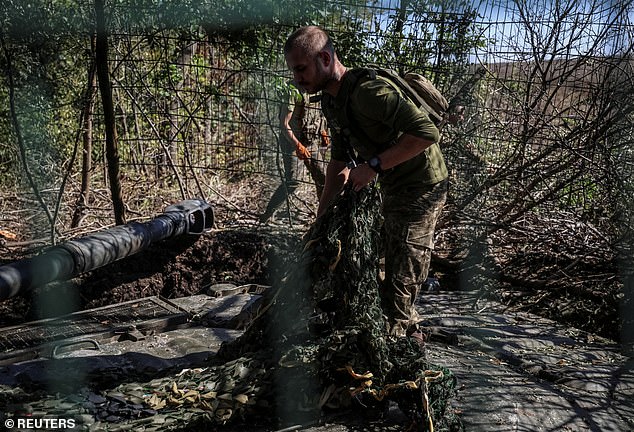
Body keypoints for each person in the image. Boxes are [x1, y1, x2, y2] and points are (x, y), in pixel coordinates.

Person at [284, 26, 449, 338]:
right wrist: (321, 221)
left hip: (422, 185)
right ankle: (406, 330)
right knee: (375, 262)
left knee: (401, 279)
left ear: (325, 58)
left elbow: (428, 133)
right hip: (392, 184)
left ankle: (399, 347)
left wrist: (373, 165)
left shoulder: (369, 93)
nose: (297, 78)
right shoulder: (332, 102)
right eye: (294, 70)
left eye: (302, 69)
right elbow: (339, 162)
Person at [260, 81, 329, 223]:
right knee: (293, 181)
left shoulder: (318, 85)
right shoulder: (292, 90)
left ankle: (323, 220)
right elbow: (284, 124)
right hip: (292, 142)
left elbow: (319, 113)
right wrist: (297, 145)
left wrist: (323, 132)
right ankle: (266, 217)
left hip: (311, 140)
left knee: (323, 178)